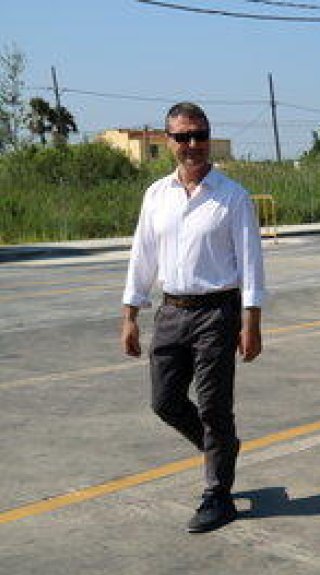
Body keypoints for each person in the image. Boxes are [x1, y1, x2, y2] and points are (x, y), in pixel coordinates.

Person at [120, 102, 267, 534]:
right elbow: (141, 257)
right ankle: (221, 448)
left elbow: (252, 264)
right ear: (167, 141)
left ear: (208, 137)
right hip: (170, 310)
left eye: (199, 135)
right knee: (164, 401)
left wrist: (251, 322)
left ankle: (217, 494)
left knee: (214, 405)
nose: (192, 145)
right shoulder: (155, 195)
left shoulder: (232, 196)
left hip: (216, 313)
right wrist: (130, 314)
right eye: (182, 137)